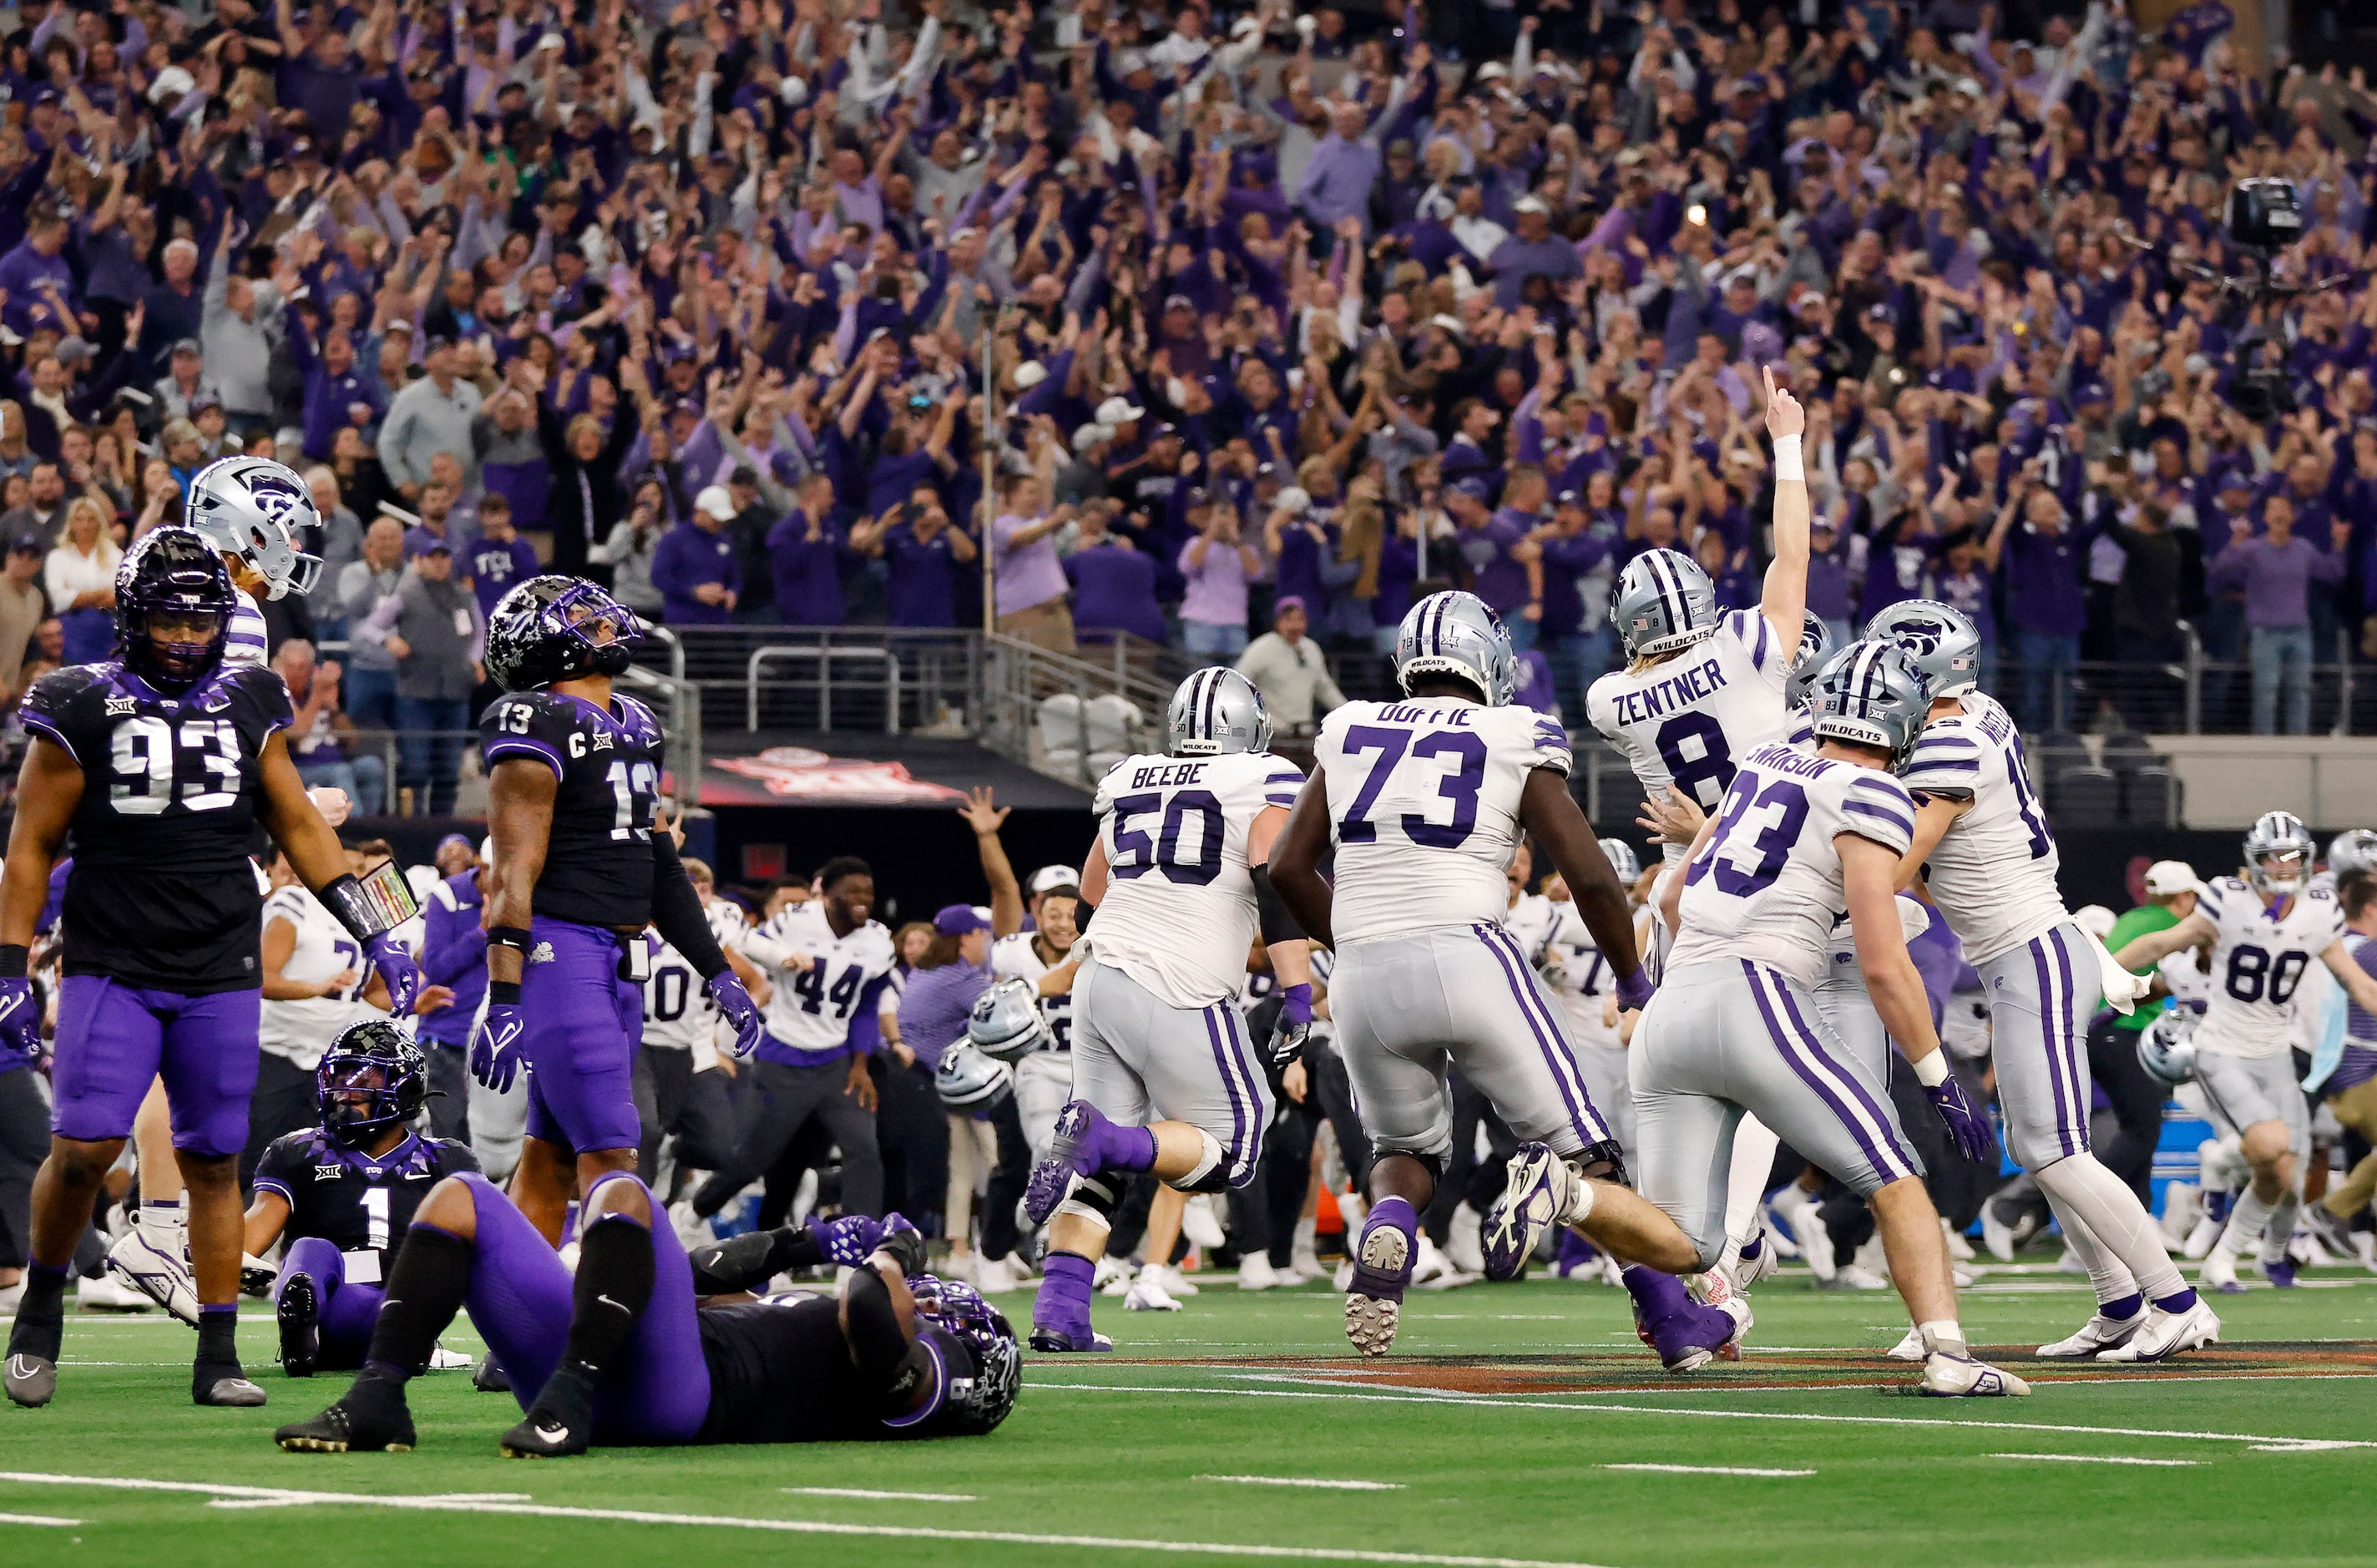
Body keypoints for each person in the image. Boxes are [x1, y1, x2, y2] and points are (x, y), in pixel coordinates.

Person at [0, 529, 422, 1410]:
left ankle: (219, 1352)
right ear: (130, 615)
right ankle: (40, 1313)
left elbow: (302, 825)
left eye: (201, 619)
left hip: (220, 963)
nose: (187, 636)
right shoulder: (77, 701)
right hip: (113, 958)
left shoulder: (249, 697)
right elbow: (31, 847)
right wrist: (7, 969)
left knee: (215, 1162)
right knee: (81, 1149)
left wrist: (383, 929)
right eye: (169, 617)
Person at [1268, 594, 1707, 1365]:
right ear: (1488, 660)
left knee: (1405, 1151)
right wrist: (1633, 977)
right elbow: (1595, 879)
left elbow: (1285, 868)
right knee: (1586, 1157)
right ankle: (1675, 1323)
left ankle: (1391, 1221)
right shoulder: (1510, 732)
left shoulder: (1350, 728)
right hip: (1469, 952)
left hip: (1364, 971)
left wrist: (1358, 940)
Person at [1644, 640, 2026, 1396]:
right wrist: (1939, 1079)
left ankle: (1572, 1196)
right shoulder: (1875, 795)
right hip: (1756, 995)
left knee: (1687, 1241)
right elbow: (1883, 964)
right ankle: (1948, 1356)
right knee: (1897, 1179)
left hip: (1671, 1007)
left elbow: (1666, 901)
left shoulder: (1757, 766)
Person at [1870, 599, 2214, 1363]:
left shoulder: (1948, 742)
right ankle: (2118, 1303)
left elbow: (1894, 868)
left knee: (2056, 1149)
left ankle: (2176, 1301)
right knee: (2036, 1147)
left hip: (2032, 952)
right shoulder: (1978, 711)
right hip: (2024, 949)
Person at [1582, 367, 1810, 1297]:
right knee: (1775, 1071)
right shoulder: (1749, 648)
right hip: (1779, 870)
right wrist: (1785, 445)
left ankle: (1692, 1243)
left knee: (1684, 1076)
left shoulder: (1612, 700)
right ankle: (1726, 1249)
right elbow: (1790, 559)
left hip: (1689, 889)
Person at [274, 1181, 1016, 1456]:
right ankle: (379, 1396)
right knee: (459, 1197)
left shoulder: (918, 1364)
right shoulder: (819, 1328)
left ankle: (566, 1398)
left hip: (681, 1399)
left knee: (621, 1192)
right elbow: (690, 1275)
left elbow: (869, 1311)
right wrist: (800, 1242)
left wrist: (894, 1253)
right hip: (636, 1364)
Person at [1021, 666, 1312, 1353]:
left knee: (1098, 1168)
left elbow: (1094, 884)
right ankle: (1099, 1139)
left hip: (1101, 974)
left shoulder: (1132, 776)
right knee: (1234, 1152)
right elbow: (1275, 880)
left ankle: (1060, 1314)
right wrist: (1297, 991)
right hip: (1178, 982)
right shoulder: (1261, 777)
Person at [471, 575, 766, 1246]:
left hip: (621, 963)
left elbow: (658, 861)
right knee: (613, 1157)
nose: (602, 621)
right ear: (544, 641)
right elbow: (513, 874)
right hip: (561, 951)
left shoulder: (636, 721)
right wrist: (506, 996)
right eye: (579, 615)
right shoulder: (531, 719)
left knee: (547, 1161)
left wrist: (716, 969)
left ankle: (517, 1328)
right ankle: (621, 1327)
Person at [2111, 813, 2377, 1294]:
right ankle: (2219, 1178)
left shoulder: (2319, 910)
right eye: (2275, 857)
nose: (2284, 865)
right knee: (2272, 1148)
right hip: (2222, 1047)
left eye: (2293, 856)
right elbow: (2160, 943)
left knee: (2287, 1178)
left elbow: (2359, 984)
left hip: (2275, 1052)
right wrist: (2095, 977)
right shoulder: (2227, 901)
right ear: (2254, 861)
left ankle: (2225, 1258)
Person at [246, 1022, 481, 1377]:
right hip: (331, 1304)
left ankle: (407, 1335)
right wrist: (211, 1253)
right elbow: (250, 1240)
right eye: (339, 1077)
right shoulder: (297, 1151)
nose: (346, 1091)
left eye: (365, 1079)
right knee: (311, 1249)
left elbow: (478, 1250)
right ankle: (302, 1327)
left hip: (399, 1301)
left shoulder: (446, 1158)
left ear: (405, 1088)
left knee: (421, 1269)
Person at [680, 858, 900, 1231]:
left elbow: (866, 1006)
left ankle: (861, 1249)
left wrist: (861, 1062)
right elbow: (747, 949)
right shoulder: (793, 921)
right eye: (853, 891)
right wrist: (779, 959)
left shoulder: (878, 940)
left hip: (837, 1063)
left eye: (869, 891)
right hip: (783, 1058)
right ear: (827, 893)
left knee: (864, 1151)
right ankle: (694, 1213)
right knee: (753, 1159)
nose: (863, 899)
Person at [2094, 861, 2211, 1201]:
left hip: (2102, 1032)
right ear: (2185, 896)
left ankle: (2139, 1213)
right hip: (2123, 1031)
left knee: (2139, 1130)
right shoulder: (2178, 926)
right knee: (2142, 1132)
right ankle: (2090, 1206)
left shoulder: (2131, 918)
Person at [359, 536, 483, 815]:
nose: (440, 563)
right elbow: (370, 628)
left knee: (449, 770)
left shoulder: (463, 595)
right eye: (433, 557)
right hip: (416, 691)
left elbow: (479, 632)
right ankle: (413, 820)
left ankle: (442, 822)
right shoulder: (406, 595)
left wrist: (475, 660)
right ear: (421, 562)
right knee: (416, 768)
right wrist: (388, 640)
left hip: (455, 689)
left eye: (444, 557)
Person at [1234, 597, 1348, 736]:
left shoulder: (1311, 648)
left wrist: (1349, 712)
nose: (1295, 626)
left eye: (1300, 620)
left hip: (1304, 731)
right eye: (1288, 620)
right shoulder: (1261, 649)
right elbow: (1237, 683)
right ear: (1277, 622)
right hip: (1272, 734)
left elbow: (1325, 689)